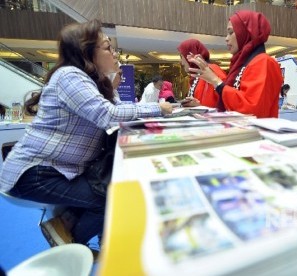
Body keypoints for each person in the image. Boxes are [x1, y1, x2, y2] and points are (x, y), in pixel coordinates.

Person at [0, 19, 172, 250]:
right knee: (110, 199)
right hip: (36, 172)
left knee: (111, 187)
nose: (114, 54)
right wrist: (158, 108)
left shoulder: (91, 81)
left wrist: (112, 85)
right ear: (87, 52)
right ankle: (69, 247)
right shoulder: (70, 76)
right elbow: (108, 115)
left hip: (59, 169)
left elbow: (116, 111)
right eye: (108, 47)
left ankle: (73, 227)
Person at [187, 10, 283, 118]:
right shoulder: (241, 64)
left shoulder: (264, 62)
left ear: (246, 32)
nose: (226, 38)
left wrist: (215, 81)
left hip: (256, 133)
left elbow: (252, 111)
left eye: (231, 32)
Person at [178, 39, 226, 108]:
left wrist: (199, 106)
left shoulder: (213, 71)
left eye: (182, 57)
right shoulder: (195, 76)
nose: (181, 62)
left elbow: (226, 102)